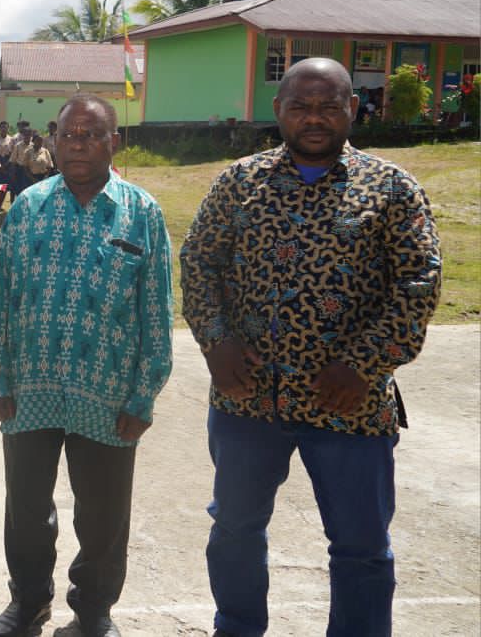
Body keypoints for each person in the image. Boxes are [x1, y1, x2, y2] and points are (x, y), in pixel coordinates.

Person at [181, 57, 442, 637]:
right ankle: (238, 628)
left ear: (353, 109)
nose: (315, 118)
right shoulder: (239, 183)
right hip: (248, 398)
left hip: (349, 403)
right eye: (301, 105)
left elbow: (419, 285)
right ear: (279, 111)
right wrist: (217, 343)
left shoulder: (392, 188)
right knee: (235, 531)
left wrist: (363, 364)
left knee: (361, 546)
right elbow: (199, 263)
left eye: (329, 105)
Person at [0, 94, 173, 637]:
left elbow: (156, 311)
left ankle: (93, 612)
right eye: (68, 135)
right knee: (27, 509)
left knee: (103, 516)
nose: (78, 144)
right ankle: (29, 603)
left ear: (116, 142)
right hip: (28, 388)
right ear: (53, 142)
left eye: (91, 134)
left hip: (108, 395)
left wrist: (143, 394)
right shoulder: (28, 207)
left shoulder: (143, 213)